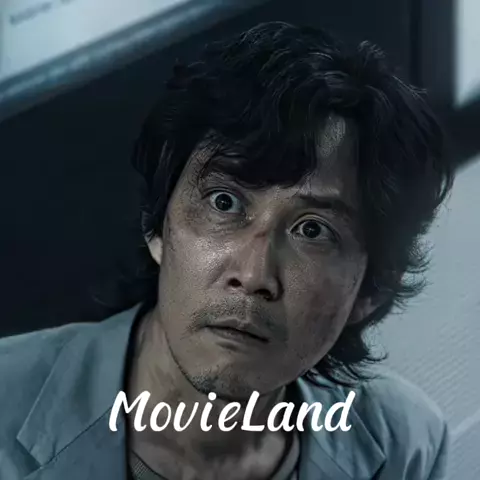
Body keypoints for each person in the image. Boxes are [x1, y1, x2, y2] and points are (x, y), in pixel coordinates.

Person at [0, 21, 453, 480]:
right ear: (156, 225)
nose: (254, 275)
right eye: (224, 202)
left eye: (313, 230)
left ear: (371, 290)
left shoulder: (407, 446)